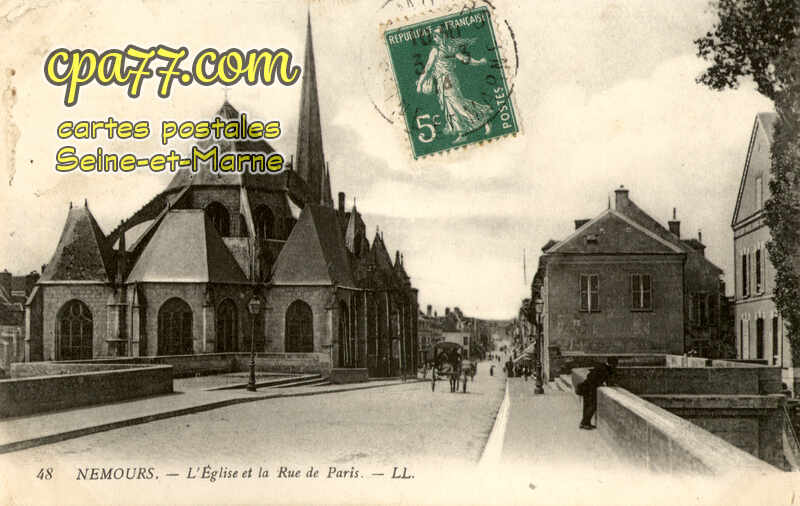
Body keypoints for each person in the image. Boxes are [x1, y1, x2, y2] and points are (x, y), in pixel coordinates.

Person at [415, 26, 493, 144]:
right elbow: (465, 59)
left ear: (442, 36)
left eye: (436, 36)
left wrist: (420, 84)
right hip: (447, 80)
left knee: (457, 106)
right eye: (434, 36)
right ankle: (463, 131)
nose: (434, 38)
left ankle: (483, 120)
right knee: (454, 105)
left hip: (447, 81)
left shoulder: (436, 50)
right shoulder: (451, 47)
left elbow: (427, 68)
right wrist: (479, 62)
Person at [577, 357, 618, 430]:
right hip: (591, 389)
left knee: (587, 406)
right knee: (592, 406)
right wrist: (601, 384)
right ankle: (584, 423)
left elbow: (589, 375)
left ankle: (585, 423)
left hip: (586, 387)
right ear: (613, 364)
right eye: (615, 364)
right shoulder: (606, 369)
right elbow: (607, 380)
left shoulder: (601, 366)